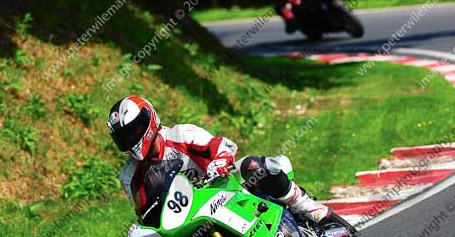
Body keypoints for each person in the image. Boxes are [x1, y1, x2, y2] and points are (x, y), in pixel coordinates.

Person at [107, 96, 330, 224]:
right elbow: (145, 214)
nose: (131, 139)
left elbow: (223, 145)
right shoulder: (129, 176)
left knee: (253, 166)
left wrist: (219, 162)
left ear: (149, 120)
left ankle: (307, 206)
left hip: (225, 191)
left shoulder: (180, 134)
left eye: (133, 130)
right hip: (191, 219)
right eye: (123, 137)